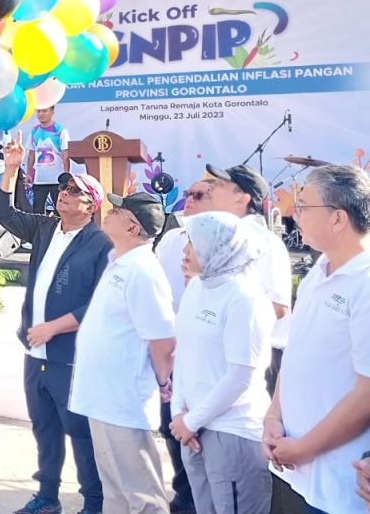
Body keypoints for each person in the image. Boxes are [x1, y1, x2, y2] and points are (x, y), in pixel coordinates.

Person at [0, 131, 110, 514]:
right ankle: (47, 496)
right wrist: (11, 170)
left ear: (91, 205)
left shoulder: (100, 244)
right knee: (44, 430)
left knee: (80, 433)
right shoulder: (45, 228)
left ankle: (93, 502)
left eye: (75, 191)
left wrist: (53, 328)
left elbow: (100, 303)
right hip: (36, 351)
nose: (64, 194)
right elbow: (5, 215)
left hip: (69, 354)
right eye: (63, 188)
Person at [263, 165, 370, 514]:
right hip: (297, 470)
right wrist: (273, 417)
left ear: (338, 218)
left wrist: (305, 447)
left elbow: (366, 393)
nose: (294, 213)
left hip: (340, 482)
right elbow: (295, 354)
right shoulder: (318, 270)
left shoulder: (364, 282)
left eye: (304, 205)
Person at [69, 192, 174, 514]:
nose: (108, 213)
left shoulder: (143, 270)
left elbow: (162, 338)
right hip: (101, 396)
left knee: (142, 495)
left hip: (123, 398)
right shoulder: (119, 262)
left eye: (117, 211)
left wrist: (162, 379)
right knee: (115, 491)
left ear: (132, 228)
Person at [170, 211, 274, 514]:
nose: (185, 250)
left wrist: (191, 421)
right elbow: (185, 355)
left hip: (232, 433)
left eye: (193, 243)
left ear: (218, 248)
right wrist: (180, 414)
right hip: (191, 429)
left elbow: (241, 376)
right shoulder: (197, 287)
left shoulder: (245, 299)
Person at [204, 163, 292, 396]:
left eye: (221, 185)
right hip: (224, 355)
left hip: (257, 358)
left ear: (242, 200)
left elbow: (278, 307)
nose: (211, 189)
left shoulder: (264, 242)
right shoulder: (221, 238)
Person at [153, 178, 213, 514]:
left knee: (200, 429)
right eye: (187, 194)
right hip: (170, 349)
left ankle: (198, 498)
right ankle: (183, 492)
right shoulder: (172, 239)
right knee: (170, 424)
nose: (188, 200)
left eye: (198, 195)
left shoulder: (225, 242)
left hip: (205, 352)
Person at [26, 107, 71, 214]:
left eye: (44, 111)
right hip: (40, 179)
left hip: (57, 179)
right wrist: (28, 173)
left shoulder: (60, 130)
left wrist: (66, 175)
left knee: (59, 210)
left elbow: (65, 154)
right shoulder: (34, 131)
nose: (41, 114)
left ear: (52, 112)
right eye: (39, 111)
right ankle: (39, 230)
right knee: (37, 211)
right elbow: (31, 153)